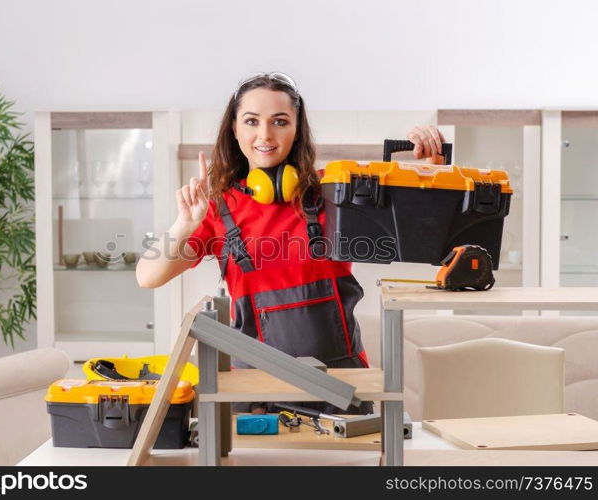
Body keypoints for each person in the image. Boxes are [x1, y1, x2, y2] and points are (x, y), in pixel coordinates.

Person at [136, 72, 445, 414]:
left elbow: (428, 232)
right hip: (253, 392)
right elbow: (148, 275)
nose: (265, 135)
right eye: (251, 121)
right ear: (235, 129)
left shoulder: (335, 192)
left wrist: (432, 168)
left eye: (279, 122)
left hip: (339, 387)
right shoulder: (217, 208)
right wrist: (183, 225)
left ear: (297, 129)